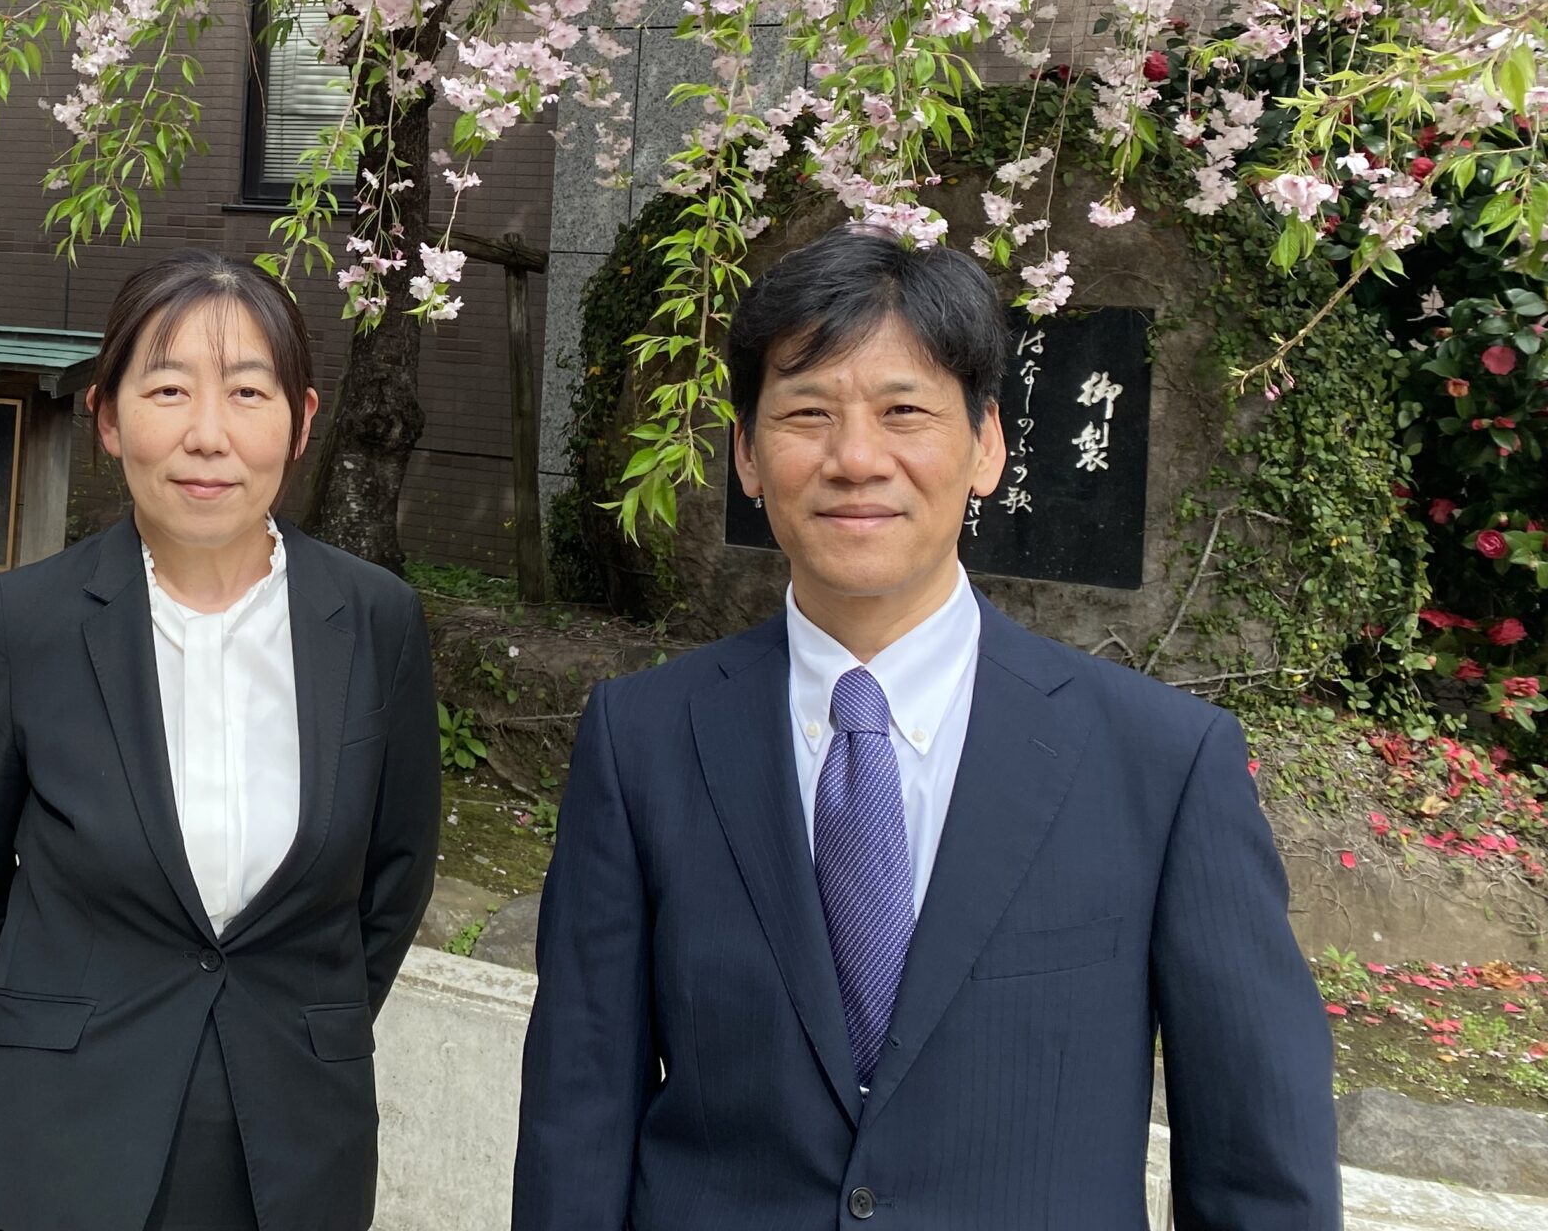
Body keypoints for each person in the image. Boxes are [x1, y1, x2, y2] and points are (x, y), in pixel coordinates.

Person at [513, 224, 1339, 1230]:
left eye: (904, 411)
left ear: (987, 445)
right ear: (747, 454)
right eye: (807, 413)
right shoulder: (642, 739)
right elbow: (578, 1110)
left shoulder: (1162, 765)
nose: (856, 459)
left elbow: (1259, 1167)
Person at [0, 249, 440, 1231]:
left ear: (301, 420)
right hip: (50, 1145)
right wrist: (36, 1045)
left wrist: (297, 1029)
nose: (208, 435)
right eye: (168, 390)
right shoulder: (26, 625)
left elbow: (393, 875)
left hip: (287, 1148)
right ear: (109, 419)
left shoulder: (375, 622)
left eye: (247, 392)